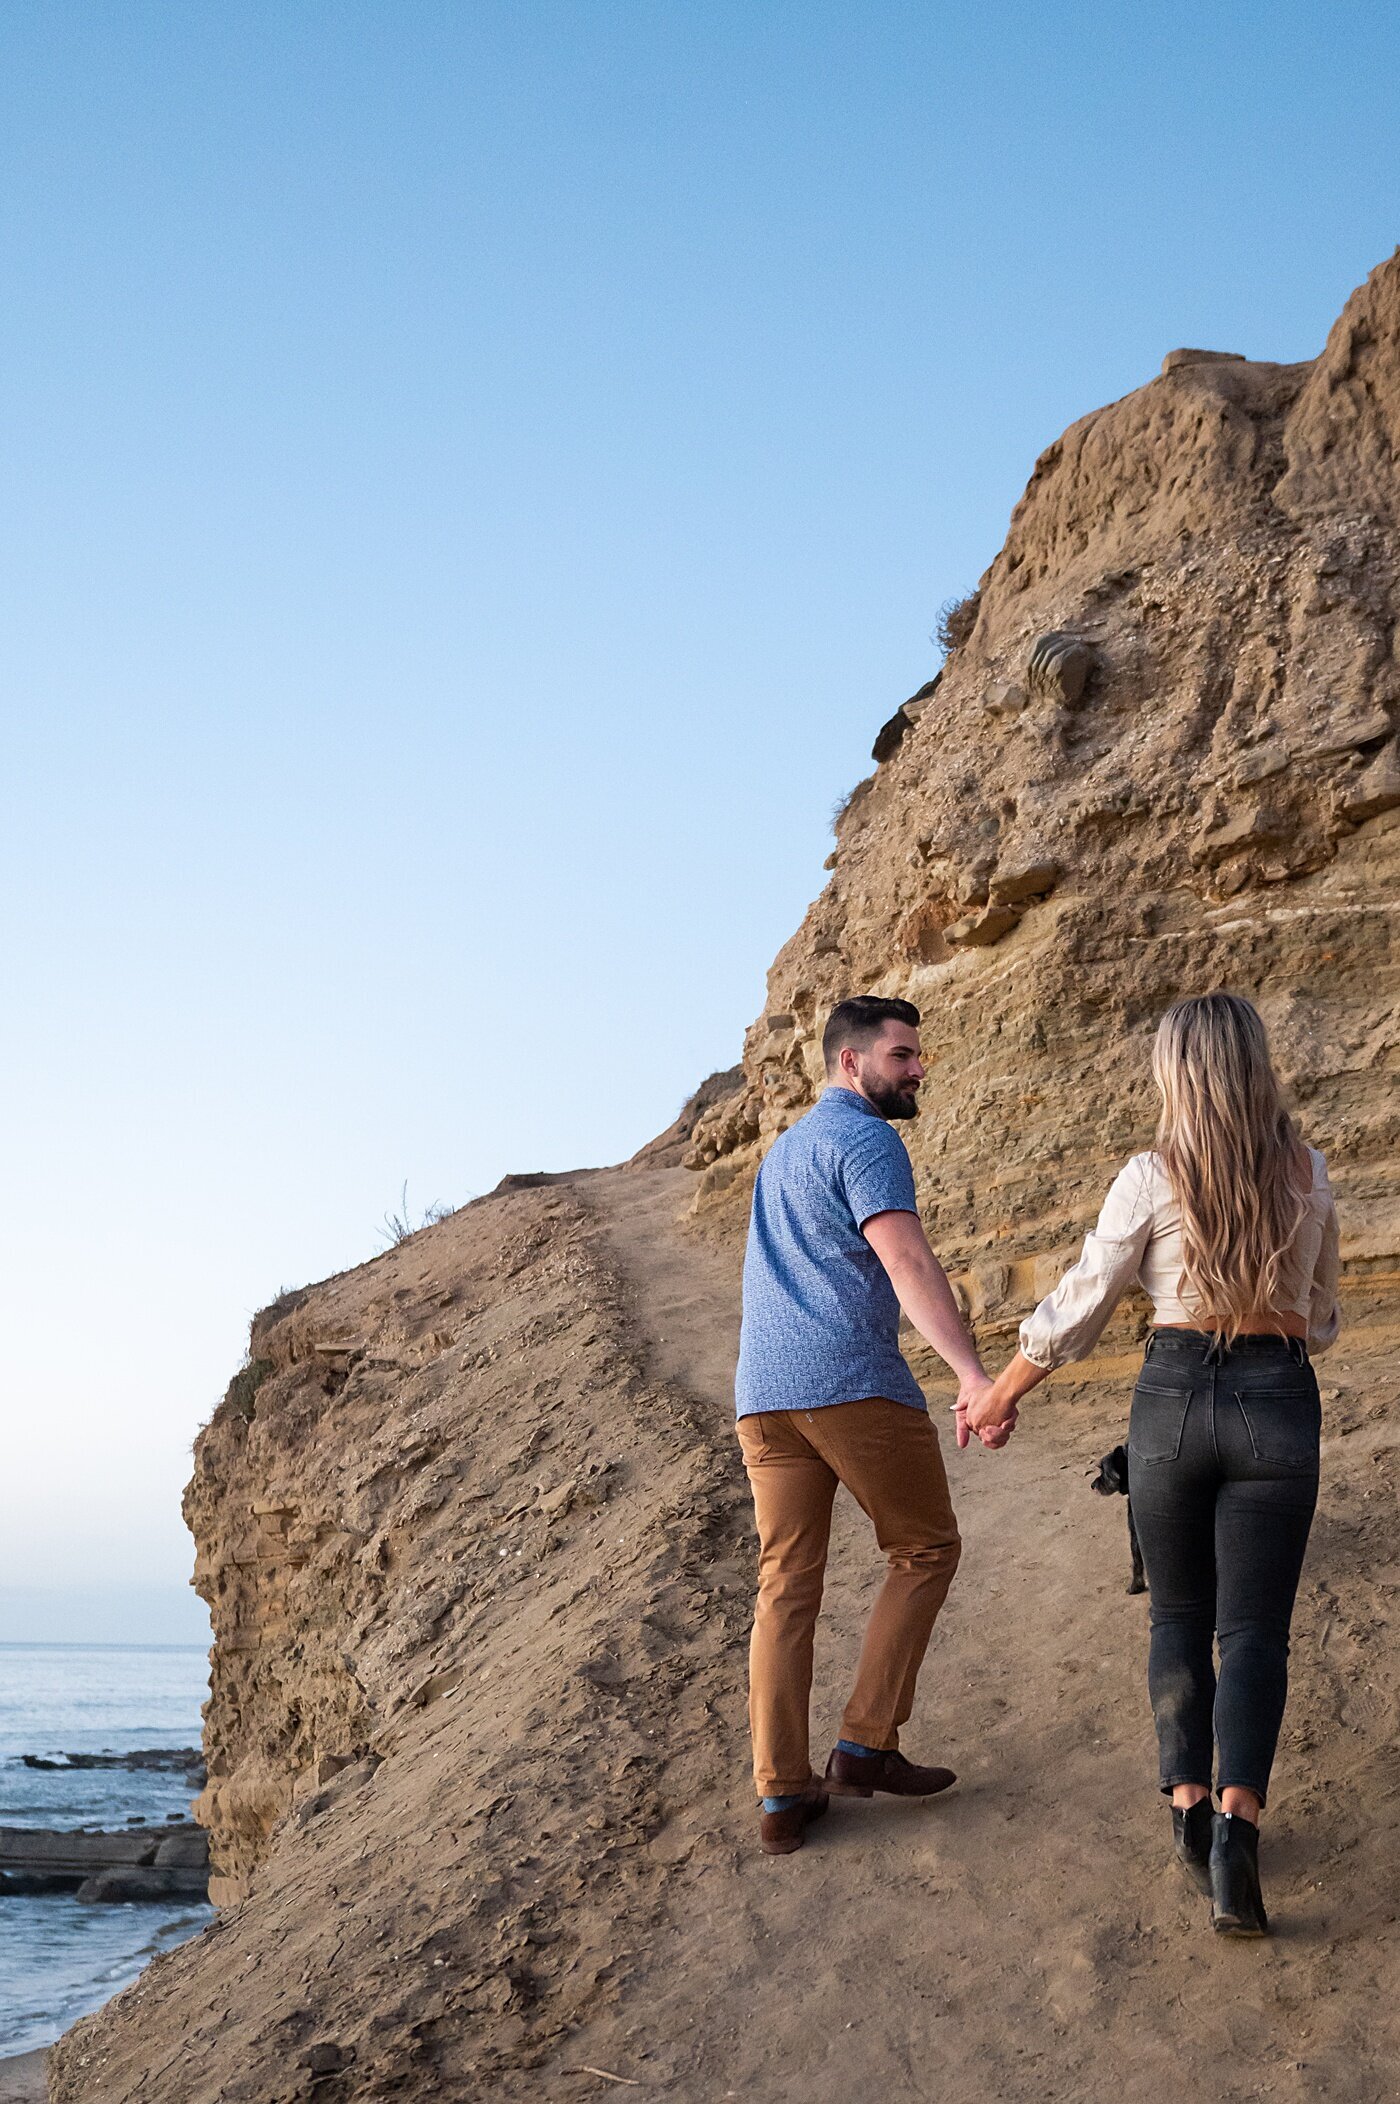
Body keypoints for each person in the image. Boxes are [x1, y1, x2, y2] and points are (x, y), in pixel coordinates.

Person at [968, 992, 1341, 1935]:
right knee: (1255, 1631)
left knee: (1179, 1612)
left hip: (1172, 1401)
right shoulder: (1309, 1172)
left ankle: (1185, 1810)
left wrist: (1000, 1394)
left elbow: (1081, 1303)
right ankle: (1237, 1836)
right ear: (1257, 1066)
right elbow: (1326, 1319)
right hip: (1278, 1398)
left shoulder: (1151, 1175)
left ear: (1177, 1074)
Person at [734, 994, 1009, 1857]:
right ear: (850, 1063)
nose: (918, 1068)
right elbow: (905, 1257)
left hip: (763, 1400)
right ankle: (866, 1746)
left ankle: (781, 1796)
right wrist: (971, 1374)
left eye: (918, 1055)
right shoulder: (865, 1140)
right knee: (925, 1548)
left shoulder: (783, 1153)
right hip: (849, 1385)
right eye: (902, 1056)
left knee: (786, 1585)